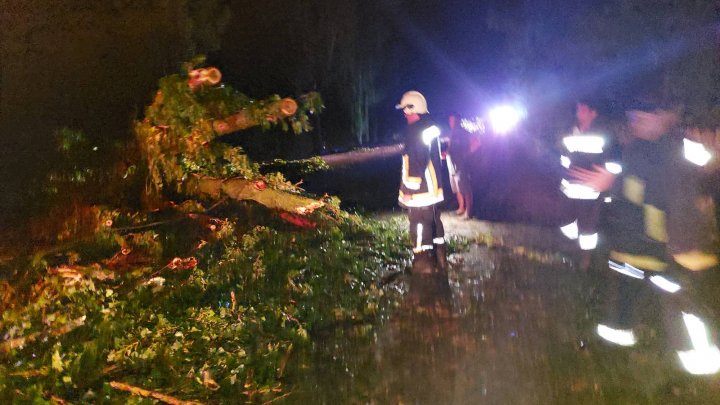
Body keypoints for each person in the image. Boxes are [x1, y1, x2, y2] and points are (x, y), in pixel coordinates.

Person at [570, 98, 720, 373]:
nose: (634, 124)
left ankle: (701, 362)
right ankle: (621, 348)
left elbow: (658, 190)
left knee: (679, 301)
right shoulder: (650, 149)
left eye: (641, 118)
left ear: (663, 116)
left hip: (671, 246)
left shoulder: (670, 149)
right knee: (631, 291)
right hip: (645, 245)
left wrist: (613, 183)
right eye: (633, 118)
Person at [558, 98, 621, 254]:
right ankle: (570, 251)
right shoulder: (571, 131)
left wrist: (609, 180)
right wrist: (562, 174)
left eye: (582, 108)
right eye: (578, 107)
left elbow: (614, 161)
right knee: (567, 224)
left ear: (593, 113)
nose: (578, 111)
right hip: (570, 190)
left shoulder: (605, 134)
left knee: (588, 232)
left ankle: (587, 261)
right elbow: (564, 157)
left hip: (591, 193)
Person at [396, 90, 447, 273]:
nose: (404, 114)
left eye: (406, 110)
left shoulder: (416, 130)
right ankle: (440, 258)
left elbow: (416, 160)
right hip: (433, 190)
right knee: (434, 223)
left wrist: (409, 188)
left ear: (413, 109)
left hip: (421, 191)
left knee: (418, 224)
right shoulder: (430, 127)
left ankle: (422, 264)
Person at [446, 113, 474, 219]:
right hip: (451, 163)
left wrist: (465, 155)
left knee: (465, 186)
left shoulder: (463, 133)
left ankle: (468, 211)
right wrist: (446, 154)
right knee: (456, 187)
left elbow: (472, 144)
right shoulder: (451, 133)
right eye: (450, 120)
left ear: (458, 121)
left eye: (453, 120)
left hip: (461, 163)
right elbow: (452, 148)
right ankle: (461, 207)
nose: (451, 123)